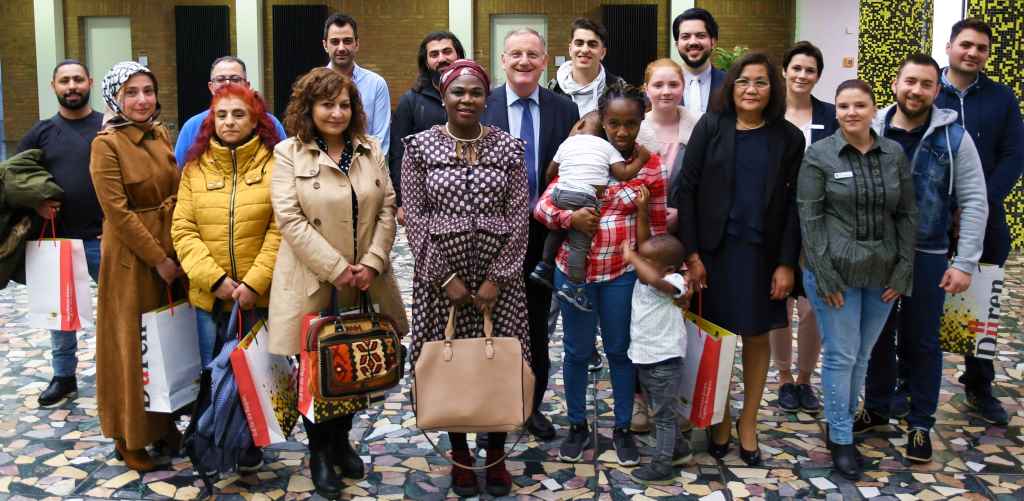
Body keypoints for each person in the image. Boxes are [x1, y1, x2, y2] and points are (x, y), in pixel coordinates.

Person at [267, 67, 408, 498]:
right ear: (309, 108)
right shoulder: (289, 153)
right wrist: (336, 268)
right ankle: (319, 453)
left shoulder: (370, 149)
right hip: (315, 280)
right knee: (316, 369)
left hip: (365, 280)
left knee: (353, 362)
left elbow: (387, 206)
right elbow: (288, 217)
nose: (337, 112)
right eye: (327, 104)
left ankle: (343, 440)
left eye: (345, 104)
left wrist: (372, 261)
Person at [402, 59, 530, 499]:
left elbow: (519, 218)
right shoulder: (418, 149)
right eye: (458, 92)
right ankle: (459, 457)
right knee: (449, 364)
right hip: (442, 286)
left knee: (499, 365)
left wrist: (500, 276)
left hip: (500, 284)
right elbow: (415, 219)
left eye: (476, 92)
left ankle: (495, 457)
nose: (467, 100)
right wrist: (444, 277)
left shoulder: (510, 149)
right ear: (443, 96)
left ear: (486, 98)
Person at [676, 52, 805, 466]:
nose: (751, 89)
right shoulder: (712, 127)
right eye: (743, 81)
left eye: (761, 82)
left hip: (762, 255)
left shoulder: (788, 137)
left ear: (773, 89)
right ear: (730, 86)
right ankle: (721, 416)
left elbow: (793, 206)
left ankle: (748, 420)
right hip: (714, 254)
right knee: (719, 339)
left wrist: (786, 263)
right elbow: (687, 192)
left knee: (756, 335)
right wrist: (692, 254)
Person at [861, 54, 988, 464]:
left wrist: (964, 262)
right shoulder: (871, 128)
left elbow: (973, 201)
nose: (916, 90)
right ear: (895, 84)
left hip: (928, 255)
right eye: (910, 81)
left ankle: (920, 423)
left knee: (922, 341)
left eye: (926, 84)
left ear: (937, 90)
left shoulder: (954, 139)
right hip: (875, 255)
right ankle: (878, 407)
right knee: (876, 337)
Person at [535, 83, 668, 467]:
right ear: (603, 122)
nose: (622, 132)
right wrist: (569, 218)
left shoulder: (650, 165)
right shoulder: (584, 152)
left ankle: (622, 428)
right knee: (576, 352)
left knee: (620, 352)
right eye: (614, 124)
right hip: (574, 275)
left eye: (630, 124)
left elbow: (656, 227)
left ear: (641, 120)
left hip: (620, 274)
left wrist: (655, 272)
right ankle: (577, 425)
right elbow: (544, 206)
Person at [798, 79, 917, 480]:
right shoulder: (819, 155)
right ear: (836, 110)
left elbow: (906, 214)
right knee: (841, 355)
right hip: (836, 275)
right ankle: (843, 439)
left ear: (873, 109)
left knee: (862, 356)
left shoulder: (893, 154)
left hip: (883, 274)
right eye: (844, 106)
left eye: (860, 105)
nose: (851, 112)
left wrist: (903, 271)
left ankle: (840, 425)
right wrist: (826, 276)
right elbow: (810, 220)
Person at [481, 28, 579, 441]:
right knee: (488, 330)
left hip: (543, 238)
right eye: (516, 54)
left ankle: (530, 407)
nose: (524, 61)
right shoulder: (480, 106)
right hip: (490, 241)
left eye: (532, 55)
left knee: (537, 330)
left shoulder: (564, 108)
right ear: (503, 60)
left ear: (545, 61)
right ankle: (488, 413)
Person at [89, 61, 183, 472]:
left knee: (166, 343)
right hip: (133, 259)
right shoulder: (106, 145)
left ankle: (162, 424)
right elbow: (118, 213)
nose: (142, 100)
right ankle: (130, 434)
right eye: (131, 92)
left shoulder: (161, 134)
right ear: (115, 98)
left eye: (147, 90)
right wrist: (159, 258)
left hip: (170, 251)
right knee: (133, 347)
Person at [935, 18, 1023, 426]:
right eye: (965, 44)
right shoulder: (927, 89)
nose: (972, 52)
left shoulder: (1002, 98)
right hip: (930, 219)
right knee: (918, 302)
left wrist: (978, 205)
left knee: (979, 305)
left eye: (981, 48)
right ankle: (905, 383)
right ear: (950, 46)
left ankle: (978, 385)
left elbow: (1013, 155)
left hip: (985, 220)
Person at [172, 85, 281, 366]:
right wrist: (215, 280)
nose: (229, 121)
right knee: (215, 380)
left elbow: (281, 230)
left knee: (265, 386)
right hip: (210, 299)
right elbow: (183, 229)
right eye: (221, 115)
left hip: (261, 299)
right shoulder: (194, 168)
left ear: (255, 119)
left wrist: (254, 284)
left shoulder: (277, 165)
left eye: (238, 114)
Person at [17, 60, 104, 407]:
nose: (72, 86)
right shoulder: (41, 132)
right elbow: (13, 177)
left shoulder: (107, 127)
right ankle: (63, 376)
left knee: (121, 311)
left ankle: (127, 374)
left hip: (105, 238)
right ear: (53, 86)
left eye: (78, 80)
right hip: (60, 239)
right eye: (65, 81)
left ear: (90, 83)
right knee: (60, 314)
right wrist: (36, 202)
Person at [769, 40, 839, 415]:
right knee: (779, 301)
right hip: (776, 222)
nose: (801, 75)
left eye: (810, 70)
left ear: (818, 76)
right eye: (796, 67)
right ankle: (783, 378)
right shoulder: (770, 114)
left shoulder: (831, 116)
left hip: (820, 224)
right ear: (784, 70)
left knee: (812, 306)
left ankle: (805, 379)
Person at [529, 111, 650, 310]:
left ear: (580, 124)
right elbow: (623, 173)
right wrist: (641, 159)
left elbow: (550, 172)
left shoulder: (567, 143)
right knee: (579, 245)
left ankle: (543, 266)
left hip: (561, 193)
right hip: (584, 198)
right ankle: (574, 287)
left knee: (556, 231)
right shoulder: (606, 147)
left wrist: (561, 187)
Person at [622, 235, 692, 484]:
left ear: (669, 269)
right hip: (646, 358)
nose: (640, 263)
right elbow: (648, 263)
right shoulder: (646, 279)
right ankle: (680, 449)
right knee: (663, 411)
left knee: (661, 417)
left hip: (665, 361)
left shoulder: (674, 281)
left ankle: (662, 465)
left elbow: (655, 279)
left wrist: (631, 257)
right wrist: (642, 208)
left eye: (646, 261)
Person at [389, 31, 465, 225]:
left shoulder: (476, 97)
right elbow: (399, 153)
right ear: (426, 62)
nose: (442, 59)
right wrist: (402, 201)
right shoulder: (411, 101)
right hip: (425, 202)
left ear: (459, 55)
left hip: (470, 196)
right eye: (434, 54)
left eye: (447, 51)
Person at [173, 56, 287, 167]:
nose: (227, 84)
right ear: (211, 87)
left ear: (247, 85)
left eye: (235, 79)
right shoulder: (192, 127)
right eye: (220, 79)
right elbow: (180, 172)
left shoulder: (270, 123)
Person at [638, 58, 701, 231]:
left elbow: (708, 183)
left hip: (688, 229)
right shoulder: (634, 130)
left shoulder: (700, 128)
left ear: (684, 86)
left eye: (673, 85)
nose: (666, 91)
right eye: (658, 85)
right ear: (646, 89)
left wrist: (684, 213)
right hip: (640, 228)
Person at [323, 12, 391, 154]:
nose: (341, 48)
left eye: (347, 41)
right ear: (325, 45)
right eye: (335, 42)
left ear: (357, 44)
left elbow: (380, 142)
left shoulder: (376, 84)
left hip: (366, 168)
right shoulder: (314, 84)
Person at [549, 18, 626, 115]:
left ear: (602, 53)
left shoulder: (619, 89)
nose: (585, 50)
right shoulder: (553, 90)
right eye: (579, 43)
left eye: (592, 45)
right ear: (570, 50)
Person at [672, 8, 726, 114]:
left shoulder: (729, 83)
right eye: (685, 36)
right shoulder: (661, 87)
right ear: (677, 45)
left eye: (701, 35)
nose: (693, 42)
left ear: (713, 42)